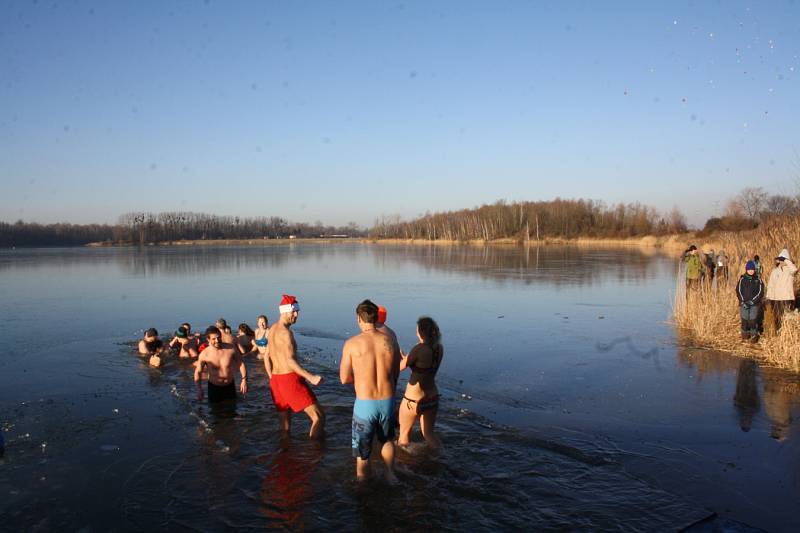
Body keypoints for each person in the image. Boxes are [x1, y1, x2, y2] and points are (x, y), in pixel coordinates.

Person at [340, 299, 401, 482]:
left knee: (362, 454)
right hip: (387, 400)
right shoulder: (390, 340)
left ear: (359, 318)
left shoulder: (352, 344)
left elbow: (344, 378)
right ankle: (390, 474)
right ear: (376, 318)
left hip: (365, 404)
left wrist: (359, 380)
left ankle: (363, 487)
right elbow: (396, 372)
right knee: (387, 440)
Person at [266, 295, 325, 438]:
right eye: (294, 312)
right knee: (319, 417)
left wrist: (271, 376)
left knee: (285, 426)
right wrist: (311, 377)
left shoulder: (272, 329)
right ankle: (315, 454)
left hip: (276, 381)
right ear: (284, 312)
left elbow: (267, 356)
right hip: (290, 380)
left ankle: (285, 452)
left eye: (297, 311)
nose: (297, 315)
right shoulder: (286, 333)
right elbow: (290, 361)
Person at [398, 316, 444, 449]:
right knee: (429, 434)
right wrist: (409, 359)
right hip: (432, 398)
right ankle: (442, 457)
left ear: (421, 332)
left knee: (404, 435)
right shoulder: (439, 349)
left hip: (413, 400)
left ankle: (404, 465)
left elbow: (400, 368)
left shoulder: (419, 348)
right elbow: (425, 369)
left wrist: (401, 357)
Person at [194, 325, 248, 403]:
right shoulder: (204, 354)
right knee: (215, 412)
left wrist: (244, 380)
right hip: (214, 388)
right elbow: (198, 372)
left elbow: (241, 363)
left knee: (232, 411)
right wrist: (199, 389)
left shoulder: (231, 349)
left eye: (218, 337)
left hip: (230, 386)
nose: (217, 340)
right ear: (208, 339)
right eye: (213, 339)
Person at [765, 248, 797, 332]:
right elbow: (771, 285)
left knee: (787, 317)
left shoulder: (790, 271)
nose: (781, 261)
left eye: (783, 259)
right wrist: (769, 297)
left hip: (787, 298)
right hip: (776, 299)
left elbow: (795, 270)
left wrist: (787, 260)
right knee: (777, 318)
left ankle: (787, 333)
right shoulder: (775, 271)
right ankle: (779, 334)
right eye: (780, 259)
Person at [737, 261, 765, 342]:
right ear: (746, 270)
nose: (751, 271)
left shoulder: (758, 280)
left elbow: (761, 292)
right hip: (743, 304)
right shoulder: (742, 279)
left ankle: (754, 337)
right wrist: (742, 301)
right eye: (749, 269)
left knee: (753, 320)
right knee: (744, 320)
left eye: (752, 269)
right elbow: (738, 291)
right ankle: (745, 336)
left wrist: (752, 301)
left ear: (754, 270)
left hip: (754, 304)